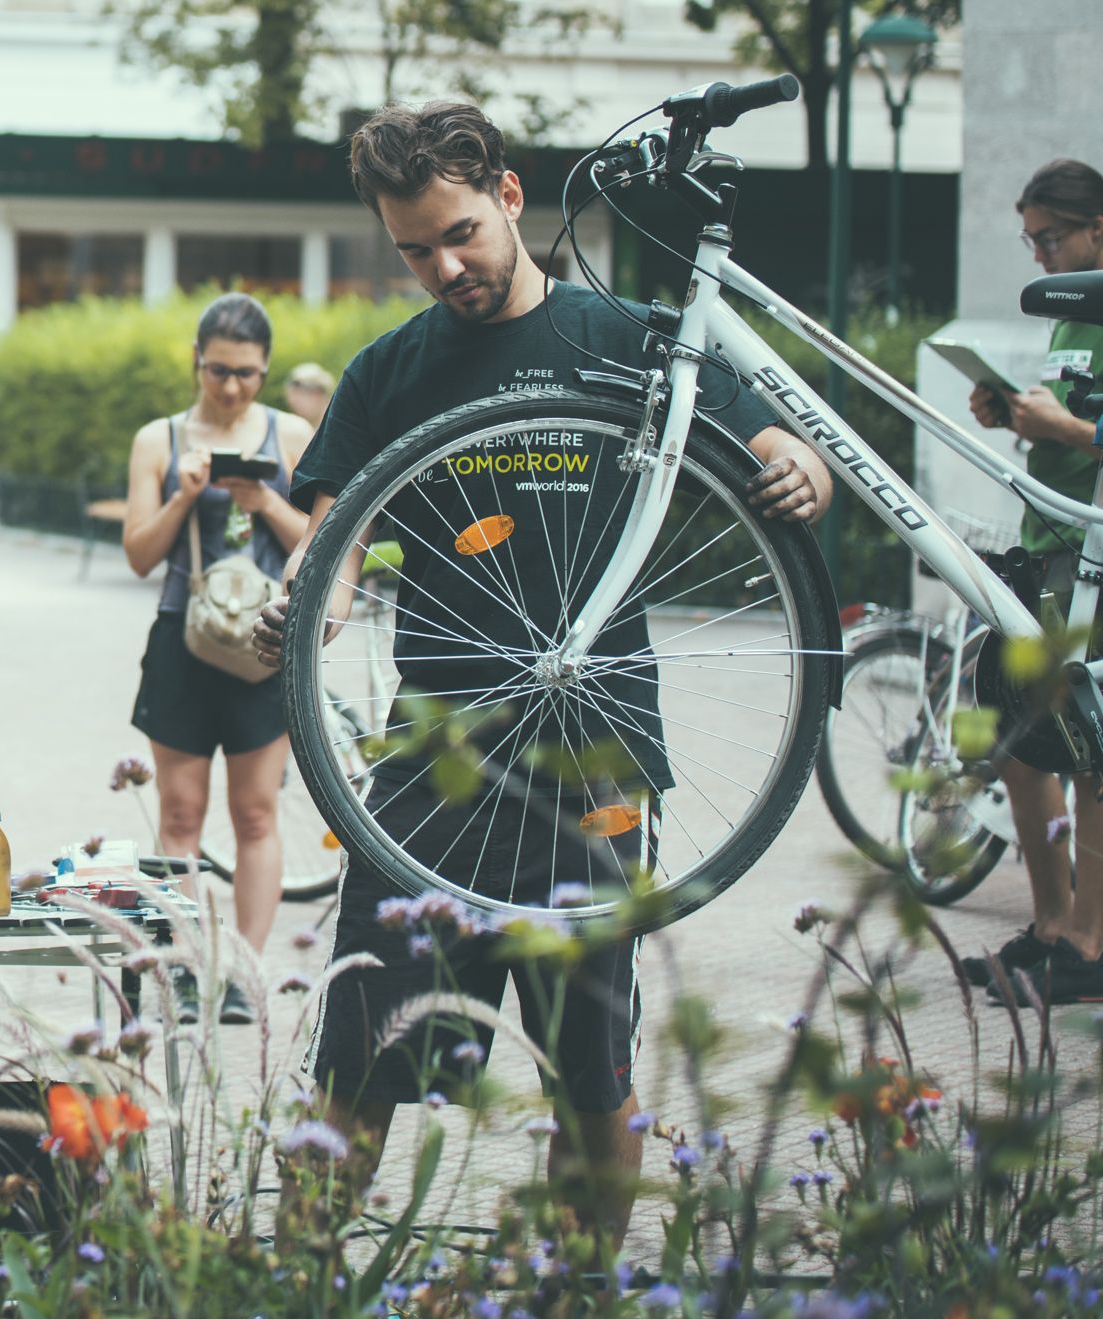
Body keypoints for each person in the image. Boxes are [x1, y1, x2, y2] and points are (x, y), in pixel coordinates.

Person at [251, 100, 831, 1241]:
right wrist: (292, 611)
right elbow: (329, 551)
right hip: (428, 771)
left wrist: (800, 469)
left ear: (510, 198)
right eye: (413, 249)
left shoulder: (622, 337)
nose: (443, 266)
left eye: (459, 232)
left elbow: (781, 444)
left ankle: (584, 1288)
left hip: (593, 758)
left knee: (587, 1069)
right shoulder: (387, 372)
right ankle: (296, 1278)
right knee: (359, 1061)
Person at [122, 292, 315, 1024]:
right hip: (184, 635)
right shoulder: (159, 439)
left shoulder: (294, 433)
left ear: (265, 370)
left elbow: (324, 543)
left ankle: (244, 971)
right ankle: (192, 963)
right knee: (179, 811)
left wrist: (263, 499)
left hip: (266, 640)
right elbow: (139, 555)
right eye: (217, 371)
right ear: (195, 362)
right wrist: (187, 496)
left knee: (256, 813)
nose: (232, 388)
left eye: (247, 374)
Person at [964, 158, 1103, 1001]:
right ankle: (1052, 921)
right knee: (1016, 736)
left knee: (1091, 747)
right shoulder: (1070, 313)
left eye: (1051, 238)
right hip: (1045, 540)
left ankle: (1089, 943)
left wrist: (1073, 427)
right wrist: (1016, 414)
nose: (1040, 256)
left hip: (1092, 553)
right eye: (1031, 239)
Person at [284, 362, 335, 431]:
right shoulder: (295, 429)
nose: (295, 402)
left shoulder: (336, 427)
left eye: (301, 396)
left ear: (319, 394)